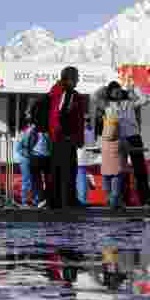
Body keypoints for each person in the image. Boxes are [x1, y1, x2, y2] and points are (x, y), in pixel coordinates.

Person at [95, 81, 150, 207]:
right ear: (110, 93)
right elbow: (95, 97)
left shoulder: (130, 103)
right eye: (114, 91)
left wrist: (135, 88)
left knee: (140, 169)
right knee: (119, 171)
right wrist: (104, 88)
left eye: (119, 90)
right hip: (117, 140)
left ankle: (146, 200)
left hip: (134, 137)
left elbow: (145, 100)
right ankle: (122, 200)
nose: (118, 93)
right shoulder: (107, 105)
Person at [47, 66, 86, 209]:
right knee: (68, 170)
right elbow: (62, 114)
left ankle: (56, 201)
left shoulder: (56, 91)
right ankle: (67, 201)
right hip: (65, 138)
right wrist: (69, 135)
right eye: (76, 76)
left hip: (57, 137)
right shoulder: (68, 93)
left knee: (57, 170)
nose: (78, 79)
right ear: (69, 78)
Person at [100, 104, 128, 210]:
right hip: (117, 169)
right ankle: (114, 203)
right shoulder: (121, 141)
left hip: (105, 169)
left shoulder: (103, 141)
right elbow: (126, 149)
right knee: (116, 188)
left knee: (107, 188)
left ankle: (109, 201)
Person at [76, 116, 96, 206]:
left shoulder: (83, 131)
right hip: (85, 158)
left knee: (80, 180)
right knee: (81, 179)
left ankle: (82, 199)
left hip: (80, 158)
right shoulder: (90, 131)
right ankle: (83, 198)